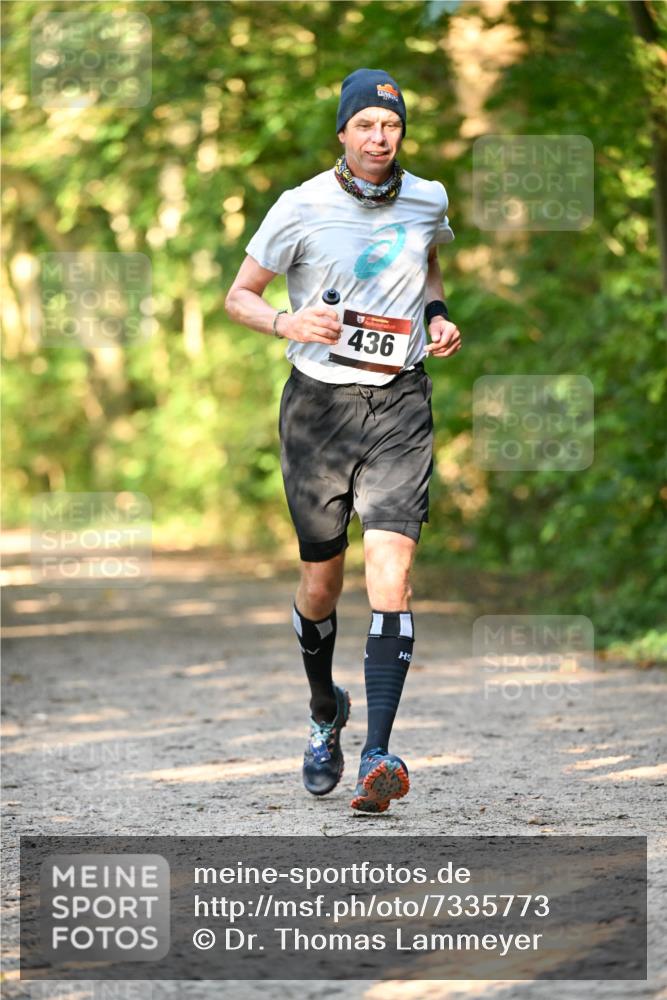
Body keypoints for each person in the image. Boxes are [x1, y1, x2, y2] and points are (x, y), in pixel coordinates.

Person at [225, 68, 461, 813]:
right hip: (317, 411)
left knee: (390, 579)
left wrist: (437, 317)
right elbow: (238, 296)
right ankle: (325, 709)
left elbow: (427, 269)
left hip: (399, 402)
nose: (379, 137)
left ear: (400, 133)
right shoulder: (300, 206)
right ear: (343, 132)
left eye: (389, 126)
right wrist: (287, 323)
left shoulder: (428, 198)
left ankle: (378, 754)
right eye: (364, 125)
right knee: (321, 585)